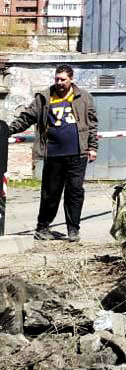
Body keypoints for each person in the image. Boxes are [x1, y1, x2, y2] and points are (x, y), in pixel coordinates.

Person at [9, 64, 98, 242]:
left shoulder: (84, 97)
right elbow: (27, 117)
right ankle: (42, 228)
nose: (59, 83)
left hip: (77, 154)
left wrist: (93, 147)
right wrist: (8, 130)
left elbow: (92, 124)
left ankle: (73, 230)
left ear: (71, 79)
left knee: (75, 192)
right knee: (50, 193)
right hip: (53, 154)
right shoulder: (44, 97)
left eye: (63, 79)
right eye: (56, 79)